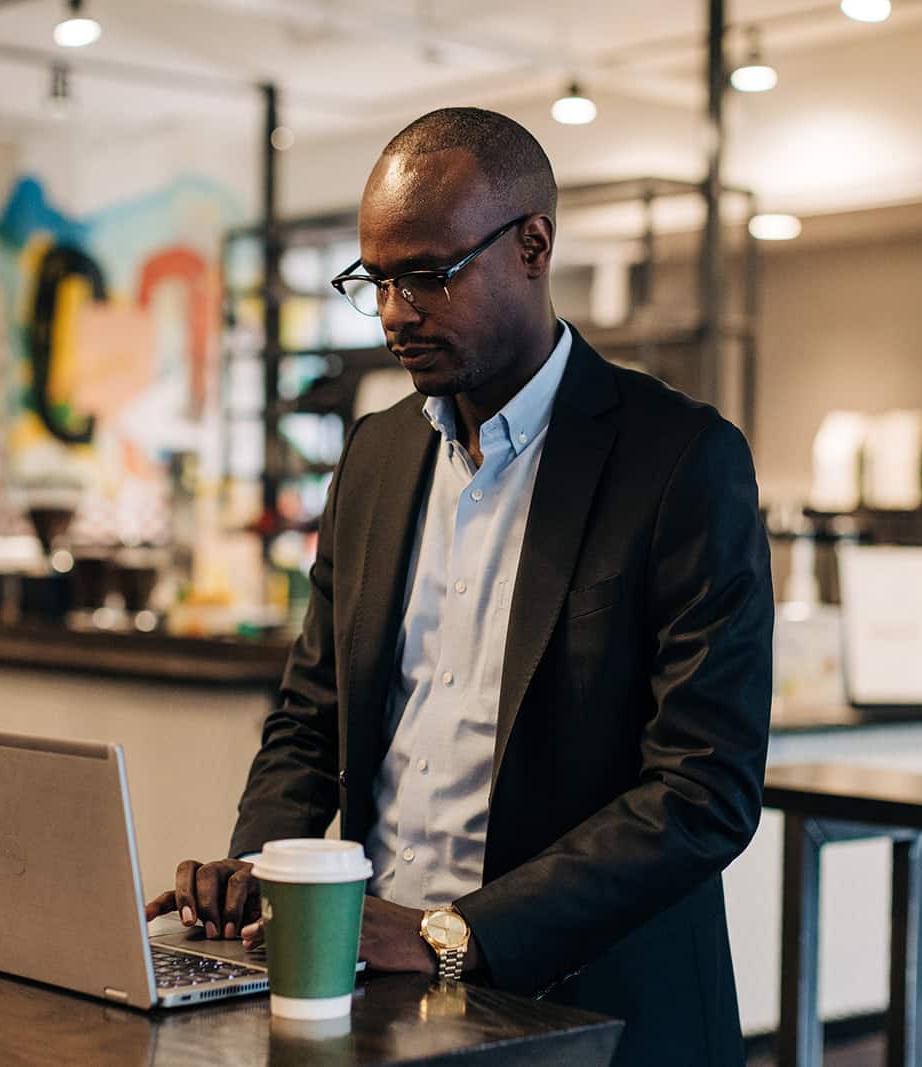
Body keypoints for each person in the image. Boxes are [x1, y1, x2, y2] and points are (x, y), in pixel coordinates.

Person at [147, 108, 773, 1065]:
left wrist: (453, 933)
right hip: (376, 1000)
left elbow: (703, 791)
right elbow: (311, 717)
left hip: (591, 1009)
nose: (397, 312)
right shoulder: (375, 455)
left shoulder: (681, 458)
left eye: (429, 276)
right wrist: (263, 867)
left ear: (533, 244)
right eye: (376, 280)